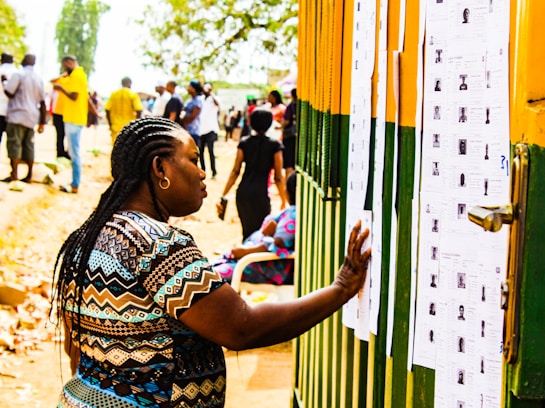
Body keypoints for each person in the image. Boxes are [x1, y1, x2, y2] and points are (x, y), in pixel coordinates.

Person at [51, 117, 371, 407]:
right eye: (193, 160)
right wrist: (341, 289)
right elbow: (241, 327)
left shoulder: (88, 237)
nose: (203, 173)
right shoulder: (159, 244)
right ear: (160, 169)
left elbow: (74, 348)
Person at [214, 173, 297, 284]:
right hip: (256, 261)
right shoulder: (294, 213)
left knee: (212, 276)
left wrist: (245, 252)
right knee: (210, 272)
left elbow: (279, 242)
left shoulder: (293, 214)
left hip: (265, 266)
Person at [219, 109, 288, 241]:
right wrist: (284, 200)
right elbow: (278, 177)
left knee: (246, 232)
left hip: (243, 192)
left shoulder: (244, 143)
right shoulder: (275, 145)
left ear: (251, 123)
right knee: (260, 234)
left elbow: (235, 171)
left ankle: (245, 256)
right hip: (261, 194)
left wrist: (224, 193)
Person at [2, 54, 46, 187]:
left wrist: (4, 81)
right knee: (28, 146)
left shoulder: (18, 74)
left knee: (14, 143)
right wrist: (42, 122)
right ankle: (29, 175)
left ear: (24, 61)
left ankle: (14, 174)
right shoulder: (39, 79)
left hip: (17, 114)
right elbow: (43, 103)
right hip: (32, 117)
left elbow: (10, 92)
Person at [52, 55, 88, 194]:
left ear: (69, 63)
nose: (64, 68)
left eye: (64, 65)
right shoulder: (79, 75)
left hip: (74, 119)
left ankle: (75, 184)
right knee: (74, 152)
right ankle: (74, 182)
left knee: (74, 152)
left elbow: (74, 96)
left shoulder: (77, 75)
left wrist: (61, 89)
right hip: (74, 118)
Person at [105, 77, 143, 144]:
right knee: (127, 150)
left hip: (115, 127)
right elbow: (139, 110)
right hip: (129, 128)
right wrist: (137, 125)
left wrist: (110, 124)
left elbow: (107, 110)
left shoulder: (114, 94)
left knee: (116, 148)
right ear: (129, 83)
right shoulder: (133, 94)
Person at [198, 82, 220, 177]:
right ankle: (203, 170)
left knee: (211, 151)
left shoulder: (214, 98)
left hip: (211, 129)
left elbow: (217, 104)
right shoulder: (201, 99)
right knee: (201, 152)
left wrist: (211, 94)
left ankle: (213, 171)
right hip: (201, 129)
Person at [0, 52, 17, 146]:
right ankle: (13, 160)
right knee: (13, 141)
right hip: (14, 111)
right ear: (13, 61)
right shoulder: (18, 73)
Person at [180, 79, 203, 145]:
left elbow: (193, 115)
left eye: (189, 86)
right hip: (186, 131)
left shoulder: (198, 100)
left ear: (193, 88)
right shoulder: (189, 101)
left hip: (193, 132)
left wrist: (184, 123)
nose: (187, 88)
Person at [281, 88, 298, 177]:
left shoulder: (291, 106)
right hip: (300, 137)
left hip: (289, 137)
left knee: (289, 162)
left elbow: (286, 121)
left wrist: (281, 126)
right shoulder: (303, 106)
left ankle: (289, 181)